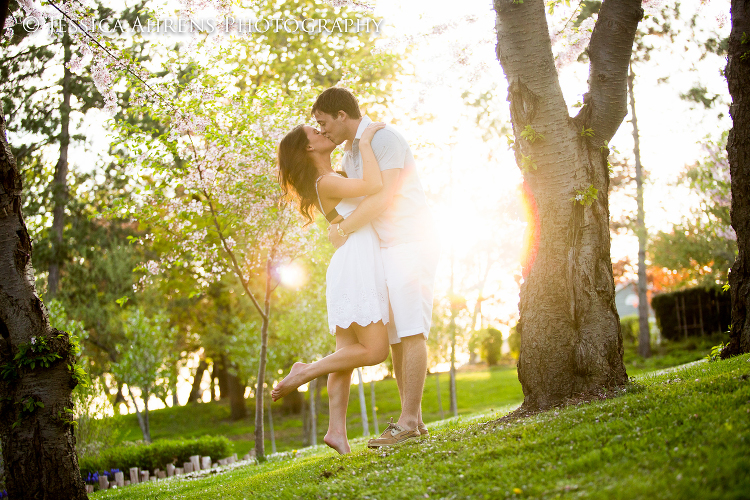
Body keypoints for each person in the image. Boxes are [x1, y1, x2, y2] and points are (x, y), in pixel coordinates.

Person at [312, 88, 440, 448]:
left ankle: (409, 422)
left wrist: (342, 229)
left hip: (410, 242)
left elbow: (383, 197)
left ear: (341, 114)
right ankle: (410, 420)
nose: (322, 132)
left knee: (412, 330)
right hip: (386, 249)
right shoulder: (354, 152)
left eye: (323, 123)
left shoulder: (385, 138)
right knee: (398, 335)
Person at [274, 120, 390, 455]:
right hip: (355, 265)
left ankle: (336, 431)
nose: (322, 132)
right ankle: (304, 372)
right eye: (314, 132)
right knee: (375, 351)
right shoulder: (326, 181)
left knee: (344, 356)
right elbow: (374, 184)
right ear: (309, 148)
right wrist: (366, 140)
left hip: (349, 263)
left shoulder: (331, 177)